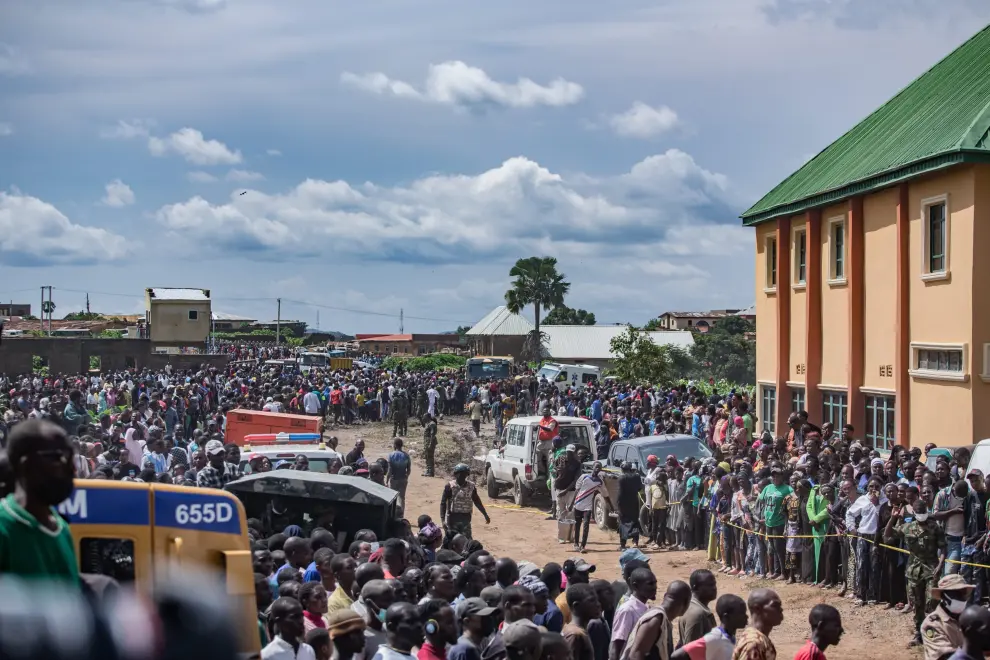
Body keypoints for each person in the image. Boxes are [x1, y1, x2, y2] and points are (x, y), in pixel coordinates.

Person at [0, 419, 79, 583]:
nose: (69, 466)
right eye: (57, 457)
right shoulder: (4, 528)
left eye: (70, 455)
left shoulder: (62, 529)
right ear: (26, 465)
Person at [883, 497, 944, 645]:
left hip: (932, 569)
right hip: (914, 570)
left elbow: (943, 547)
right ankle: (919, 633)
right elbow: (888, 534)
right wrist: (893, 518)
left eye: (923, 511)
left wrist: (940, 564)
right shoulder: (908, 527)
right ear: (914, 513)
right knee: (917, 603)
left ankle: (933, 633)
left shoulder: (935, 527)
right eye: (918, 512)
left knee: (932, 602)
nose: (921, 514)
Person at [621, 580, 692, 660]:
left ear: (665, 596)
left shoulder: (663, 620)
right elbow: (636, 654)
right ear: (686, 603)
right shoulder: (655, 619)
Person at [671, 594, 747, 660]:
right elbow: (677, 655)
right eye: (742, 613)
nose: (746, 616)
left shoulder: (730, 637)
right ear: (727, 617)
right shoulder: (715, 638)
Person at [921, 574, 974, 660]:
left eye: (963, 593)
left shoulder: (968, 618)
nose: (961, 598)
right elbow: (945, 656)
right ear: (944, 596)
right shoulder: (932, 624)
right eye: (955, 593)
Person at [609, 568, 656, 660]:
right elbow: (616, 644)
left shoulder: (645, 607)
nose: (655, 587)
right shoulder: (627, 610)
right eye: (650, 584)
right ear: (636, 586)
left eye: (655, 583)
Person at [440, 464, 491, 540]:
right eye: (459, 474)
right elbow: (443, 503)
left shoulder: (471, 487)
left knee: (466, 541)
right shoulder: (450, 486)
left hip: (466, 518)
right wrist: (443, 520)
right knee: (451, 541)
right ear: (456, 474)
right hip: (453, 517)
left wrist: (485, 514)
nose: (461, 476)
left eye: (464, 474)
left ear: (467, 475)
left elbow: (477, 501)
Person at [731, 589, 783, 660]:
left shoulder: (759, 638)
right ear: (757, 609)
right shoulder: (753, 643)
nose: (781, 609)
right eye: (775, 605)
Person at [571, 461, 611, 553]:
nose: (597, 469)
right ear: (593, 467)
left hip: (588, 507)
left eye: (599, 468)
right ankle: (576, 543)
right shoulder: (584, 477)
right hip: (578, 504)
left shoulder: (599, 482)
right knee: (577, 525)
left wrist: (611, 506)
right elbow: (577, 490)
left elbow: (605, 494)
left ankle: (582, 546)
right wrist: (571, 503)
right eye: (596, 467)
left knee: (586, 526)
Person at [679, 570, 717, 646]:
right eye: (709, 585)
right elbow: (690, 650)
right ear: (696, 587)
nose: (714, 588)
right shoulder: (697, 614)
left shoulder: (693, 607)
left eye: (714, 584)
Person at [562, 584, 601, 660]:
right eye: (592, 600)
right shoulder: (575, 635)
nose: (598, 604)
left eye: (597, 600)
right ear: (576, 606)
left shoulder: (579, 631)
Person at [617, 462, 644, 550]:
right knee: (634, 521)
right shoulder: (637, 476)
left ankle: (623, 545)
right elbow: (640, 488)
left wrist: (618, 504)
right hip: (634, 502)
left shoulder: (621, 478)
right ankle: (635, 542)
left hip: (624, 504)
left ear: (622, 469)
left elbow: (620, 494)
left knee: (623, 522)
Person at [386, 438, 412, 516]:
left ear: (394, 445)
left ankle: (392, 514)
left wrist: (387, 480)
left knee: (392, 498)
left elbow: (390, 470)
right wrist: (406, 477)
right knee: (402, 498)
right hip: (403, 479)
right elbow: (409, 469)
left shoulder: (391, 455)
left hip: (394, 479)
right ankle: (401, 515)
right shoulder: (406, 455)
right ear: (401, 445)